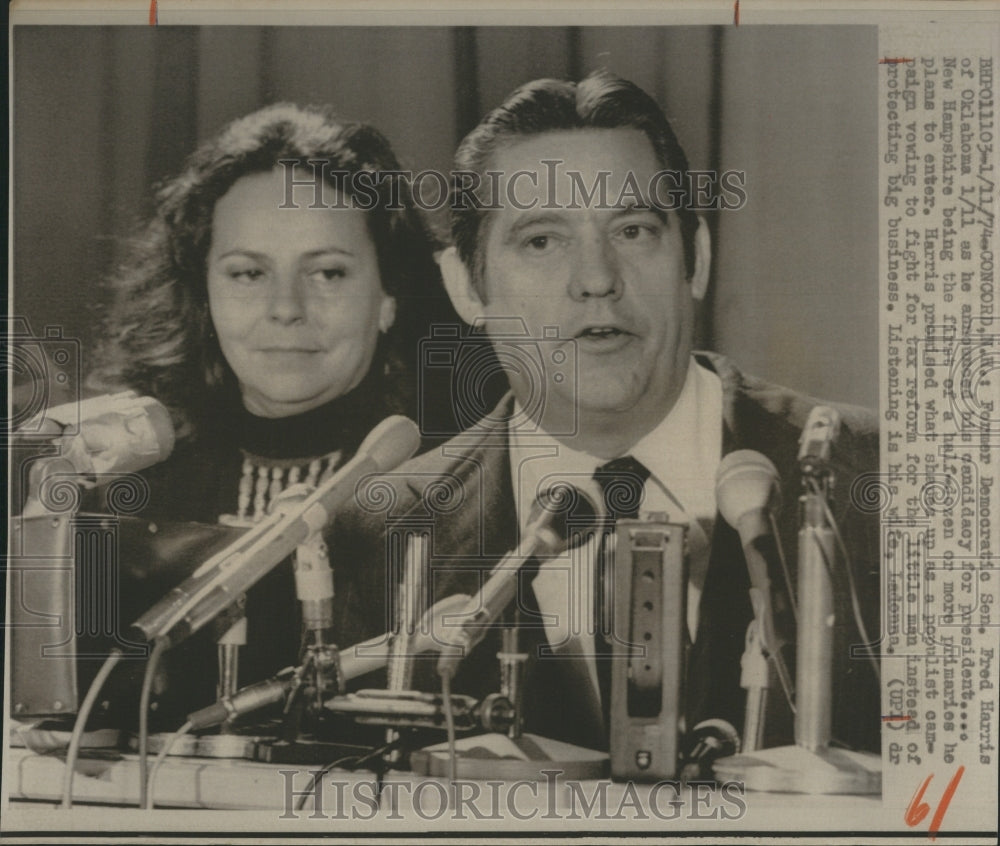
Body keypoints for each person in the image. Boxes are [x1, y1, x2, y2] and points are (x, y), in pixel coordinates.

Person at [327, 72, 880, 758]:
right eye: (541, 241)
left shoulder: (880, 474)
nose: (597, 278)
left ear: (697, 260)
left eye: (634, 230)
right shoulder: (381, 531)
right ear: (466, 286)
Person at [86, 103, 458, 725]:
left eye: (328, 273)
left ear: (388, 297)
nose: (286, 308)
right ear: (203, 292)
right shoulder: (126, 483)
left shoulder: (460, 481)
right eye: (249, 273)